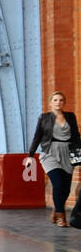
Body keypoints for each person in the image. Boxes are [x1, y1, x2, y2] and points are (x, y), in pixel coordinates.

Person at [28, 91, 80, 226]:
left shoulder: (70, 116)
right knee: (57, 184)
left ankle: (56, 209)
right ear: (51, 102)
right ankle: (61, 217)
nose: (58, 102)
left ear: (64, 102)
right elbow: (37, 137)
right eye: (55, 100)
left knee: (66, 188)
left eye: (61, 100)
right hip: (49, 153)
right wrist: (30, 156)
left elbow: (76, 136)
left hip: (67, 152)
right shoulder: (44, 118)